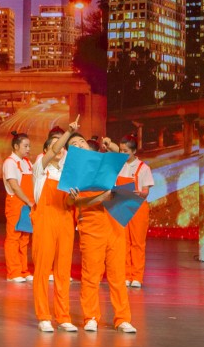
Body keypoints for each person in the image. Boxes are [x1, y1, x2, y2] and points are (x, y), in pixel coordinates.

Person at [72, 136, 137, 334]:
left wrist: (111, 146)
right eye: (74, 145)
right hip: (91, 225)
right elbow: (76, 202)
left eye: (81, 141)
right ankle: (91, 317)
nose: (79, 145)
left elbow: (122, 157)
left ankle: (122, 319)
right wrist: (101, 197)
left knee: (118, 275)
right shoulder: (73, 171)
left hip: (114, 221)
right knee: (91, 275)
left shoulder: (106, 162)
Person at [31, 119, 82, 332]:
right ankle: (44, 316)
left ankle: (63, 317)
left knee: (63, 271)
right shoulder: (40, 167)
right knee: (43, 270)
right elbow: (53, 151)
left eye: (62, 146)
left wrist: (73, 197)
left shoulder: (66, 174)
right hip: (45, 219)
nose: (59, 149)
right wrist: (68, 133)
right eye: (55, 145)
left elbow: (68, 203)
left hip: (65, 220)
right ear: (45, 150)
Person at [116, 135, 154, 288]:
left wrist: (141, 193)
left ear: (134, 151)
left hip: (138, 208)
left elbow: (146, 191)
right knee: (123, 243)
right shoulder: (118, 165)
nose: (122, 153)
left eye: (125, 151)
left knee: (137, 243)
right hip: (121, 207)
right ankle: (126, 274)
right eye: (121, 150)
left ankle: (137, 276)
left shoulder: (143, 168)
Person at [2, 131, 35, 283]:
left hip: (27, 203)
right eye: (25, 146)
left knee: (24, 238)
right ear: (16, 146)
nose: (28, 149)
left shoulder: (27, 162)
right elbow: (15, 186)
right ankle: (13, 272)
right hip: (16, 202)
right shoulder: (10, 162)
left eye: (29, 146)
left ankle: (23, 270)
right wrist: (28, 201)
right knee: (13, 238)